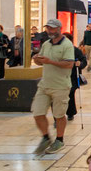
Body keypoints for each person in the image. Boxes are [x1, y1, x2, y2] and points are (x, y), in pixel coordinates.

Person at [32, 19, 75, 155]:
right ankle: (45, 137)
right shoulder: (46, 44)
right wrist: (37, 60)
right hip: (45, 85)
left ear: (59, 29)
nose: (49, 31)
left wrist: (50, 61)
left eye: (52, 28)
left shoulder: (67, 45)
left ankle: (59, 139)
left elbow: (69, 64)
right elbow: (42, 61)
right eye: (48, 28)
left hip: (60, 85)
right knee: (37, 112)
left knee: (59, 115)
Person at [63, 33, 86, 121]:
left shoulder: (75, 50)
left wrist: (80, 64)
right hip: (60, 76)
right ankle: (57, 117)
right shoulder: (58, 50)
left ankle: (70, 112)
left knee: (70, 95)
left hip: (72, 76)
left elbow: (83, 61)